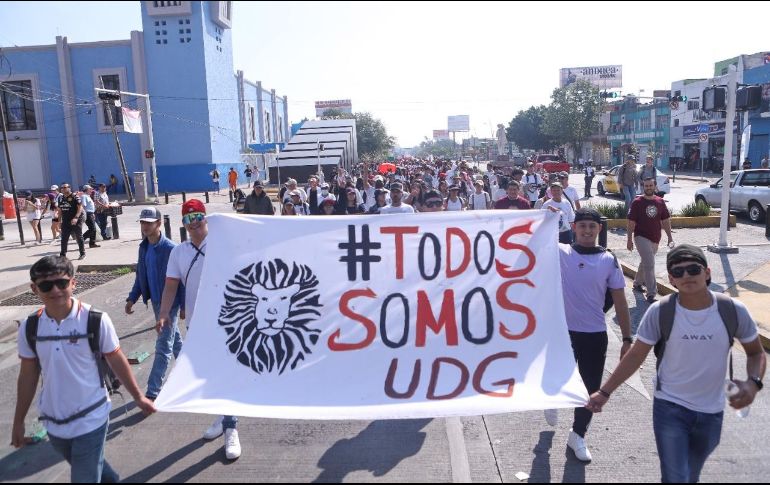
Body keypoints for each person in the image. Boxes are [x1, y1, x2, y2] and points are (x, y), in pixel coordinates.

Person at [587, 245, 766, 483]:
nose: (686, 276)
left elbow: (756, 353)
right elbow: (636, 355)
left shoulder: (732, 310)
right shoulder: (661, 312)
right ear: (671, 279)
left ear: (707, 272)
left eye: (693, 269)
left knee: (689, 476)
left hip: (711, 412)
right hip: (670, 408)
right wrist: (604, 391)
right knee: (676, 478)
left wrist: (753, 384)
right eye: (678, 272)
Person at [12, 255, 156, 482]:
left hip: (92, 417)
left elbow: (116, 359)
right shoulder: (31, 327)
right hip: (53, 421)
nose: (56, 290)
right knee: (93, 467)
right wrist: (18, 421)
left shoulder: (95, 319)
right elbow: (28, 375)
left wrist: (138, 397)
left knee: (84, 475)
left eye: (62, 283)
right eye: (46, 285)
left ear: (73, 283)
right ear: (34, 288)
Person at [157, 200, 242, 460]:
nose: (193, 221)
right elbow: (171, 285)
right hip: (197, 321)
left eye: (197, 215)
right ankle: (222, 416)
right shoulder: (178, 252)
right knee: (208, 374)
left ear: (205, 217)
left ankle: (231, 428)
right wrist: (163, 313)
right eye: (187, 217)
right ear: (182, 223)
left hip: (226, 321)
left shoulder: (221, 244)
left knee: (225, 373)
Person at [549, 208, 632, 462]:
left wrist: (627, 339)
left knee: (589, 388)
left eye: (592, 226)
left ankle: (578, 435)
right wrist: (545, 216)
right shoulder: (561, 253)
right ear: (574, 228)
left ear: (599, 229)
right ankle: (550, 399)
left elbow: (620, 300)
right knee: (557, 376)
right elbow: (530, 241)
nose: (587, 230)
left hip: (595, 333)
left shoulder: (609, 259)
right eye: (582, 225)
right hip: (563, 332)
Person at [125, 208, 185, 401]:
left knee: (163, 345)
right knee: (175, 341)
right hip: (156, 302)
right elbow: (140, 275)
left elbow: (181, 279)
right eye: (143, 222)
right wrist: (132, 297)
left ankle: (152, 391)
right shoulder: (143, 247)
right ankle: (190, 374)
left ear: (159, 224)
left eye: (149, 223)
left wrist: (183, 305)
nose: (145, 226)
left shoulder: (171, 249)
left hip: (171, 303)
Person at [628, 178, 674, 304]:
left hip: (655, 238)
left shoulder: (660, 202)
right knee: (650, 264)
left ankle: (637, 283)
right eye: (646, 185)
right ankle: (651, 293)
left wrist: (669, 236)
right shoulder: (637, 202)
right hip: (640, 237)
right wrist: (629, 239)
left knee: (645, 262)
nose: (648, 187)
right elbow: (631, 222)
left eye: (650, 185)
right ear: (643, 187)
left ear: (654, 186)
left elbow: (665, 220)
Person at [57, 184, 86, 260]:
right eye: (61, 188)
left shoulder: (75, 196)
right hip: (65, 221)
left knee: (79, 236)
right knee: (64, 238)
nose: (63, 189)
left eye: (64, 187)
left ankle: (82, 253)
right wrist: (59, 221)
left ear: (69, 188)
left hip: (75, 220)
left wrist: (76, 217)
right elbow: (59, 210)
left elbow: (80, 207)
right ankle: (62, 255)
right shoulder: (60, 198)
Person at [80, 185, 100, 249]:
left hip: (91, 213)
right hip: (87, 214)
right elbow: (83, 206)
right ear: (86, 189)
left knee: (93, 230)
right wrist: (85, 214)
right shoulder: (84, 196)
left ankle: (92, 243)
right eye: (90, 189)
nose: (91, 190)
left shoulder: (88, 196)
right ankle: (81, 239)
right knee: (92, 229)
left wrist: (93, 213)